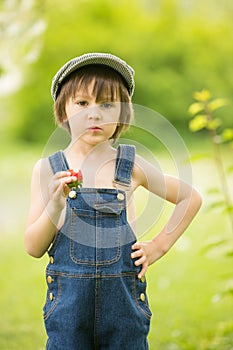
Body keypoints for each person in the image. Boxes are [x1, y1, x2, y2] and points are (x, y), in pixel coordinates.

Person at [24, 52, 202, 349]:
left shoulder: (130, 166)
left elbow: (189, 197)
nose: (95, 114)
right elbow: (33, 247)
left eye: (107, 104)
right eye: (82, 103)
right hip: (68, 312)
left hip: (123, 312)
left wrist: (158, 246)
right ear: (63, 110)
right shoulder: (47, 170)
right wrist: (55, 205)